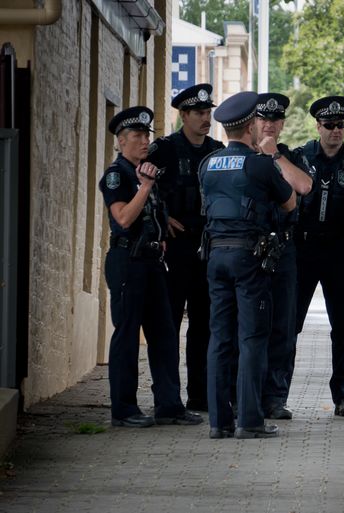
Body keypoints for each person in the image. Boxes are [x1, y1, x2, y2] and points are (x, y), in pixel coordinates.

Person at [199, 92, 296, 439]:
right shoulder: (258, 164)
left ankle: (218, 422)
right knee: (252, 338)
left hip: (215, 256)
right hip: (249, 258)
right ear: (252, 125)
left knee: (220, 339)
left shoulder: (208, 163)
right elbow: (289, 203)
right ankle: (250, 421)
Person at [99, 106, 203, 428]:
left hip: (153, 263)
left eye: (147, 135)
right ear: (121, 141)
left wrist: (160, 233)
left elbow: (153, 216)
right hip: (127, 262)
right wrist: (144, 187)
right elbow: (123, 218)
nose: (145, 141)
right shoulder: (118, 176)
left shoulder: (148, 172)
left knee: (164, 334)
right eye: (138, 136)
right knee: (127, 335)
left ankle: (169, 406)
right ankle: (124, 409)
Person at [294, 95, 344, 417]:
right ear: (318, 126)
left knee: (343, 327)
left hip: (341, 251)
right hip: (303, 250)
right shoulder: (300, 158)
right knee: (290, 325)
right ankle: (275, 394)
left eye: (341, 125)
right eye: (329, 125)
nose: (336, 131)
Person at [146, 83, 224, 412]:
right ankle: (167, 397)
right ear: (184, 115)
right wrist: (162, 220)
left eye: (209, 113)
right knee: (169, 324)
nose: (207, 119)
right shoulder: (163, 150)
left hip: (207, 250)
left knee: (204, 326)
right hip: (175, 250)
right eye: (200, 113)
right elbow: (142, 188)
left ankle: (200, 395)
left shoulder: (219, 151)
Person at [251, 92, 313, 420]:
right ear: (253, 121)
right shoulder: (242, 154)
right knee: (247, 326)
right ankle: (243, 395)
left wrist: (275, 157)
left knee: (283, 328)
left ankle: (275, 397)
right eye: (263, 118)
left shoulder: (291, 157)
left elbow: (304, 187)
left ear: (283, 124)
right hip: (249, 249)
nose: (269, 124)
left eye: (275, 119)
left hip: (284, 250)